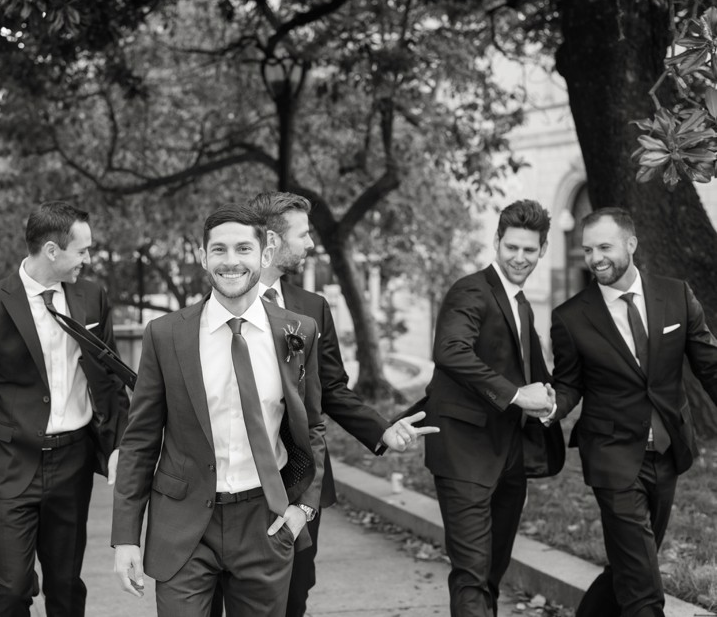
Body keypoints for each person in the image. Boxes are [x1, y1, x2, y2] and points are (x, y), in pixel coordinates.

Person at [112, 203, 326, 616]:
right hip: (183, 525)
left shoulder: (298, 331)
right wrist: (125, 538)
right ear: (203, 256)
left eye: (244, 249)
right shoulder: (165, 335)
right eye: (220, 250)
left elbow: (313, 426)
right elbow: (139, 442)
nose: (232, 262)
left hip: (266, 524)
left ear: (264, 256)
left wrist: (303, 508)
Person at [246, 191, 438, 616]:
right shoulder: (222, 302)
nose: (311, 243)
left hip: (300, 477)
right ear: (273, 242)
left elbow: (332, 387)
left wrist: (382, 430)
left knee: (295, 592)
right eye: (304, 234)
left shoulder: (313, 307)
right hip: (235, 479)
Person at [0, 200, 129, 617]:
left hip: (73, 461)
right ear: (52, 250)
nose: (88, 258)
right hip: (10, 462)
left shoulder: (92, 295)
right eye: (82, 250)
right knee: (11, 589)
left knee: (65, 585)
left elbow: (109, 376)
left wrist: (120, 444)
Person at [549, 207, 717, 617]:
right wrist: (551, 404)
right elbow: (570, 383)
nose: (594, 258)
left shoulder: (676, 294)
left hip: (667, 452)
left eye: (604, 246)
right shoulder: (570, 317)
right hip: (612, 455)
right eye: (588, 249)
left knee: (631, 565)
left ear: (631, 243)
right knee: (644, 589)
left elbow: (709, 365)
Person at [423, 199, 557, 617]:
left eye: (529, 250)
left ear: (543, 250)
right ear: (497, 242)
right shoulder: (471, 290)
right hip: (464, 456)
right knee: (471, 576)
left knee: (491, 575)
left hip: (509, 458)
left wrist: (549, 402)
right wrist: (518, 396)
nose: (520, 258)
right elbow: (450, 351)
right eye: (512, 247)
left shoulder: (521, 303)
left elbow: (534, 372)